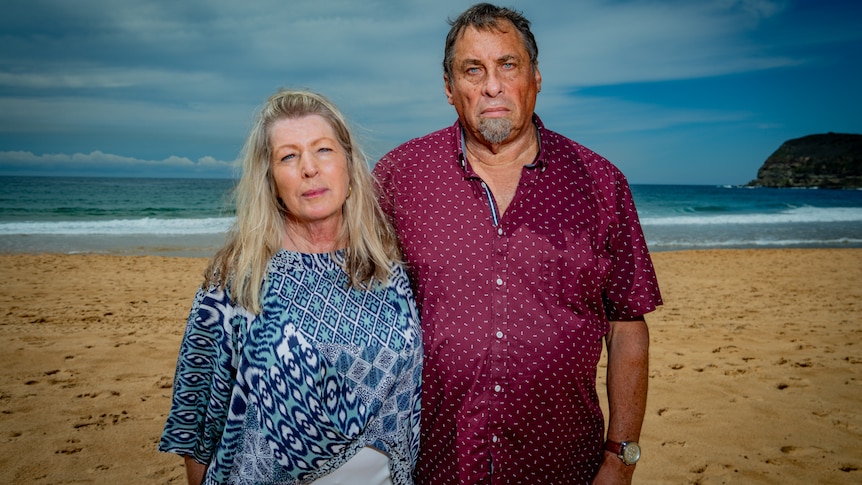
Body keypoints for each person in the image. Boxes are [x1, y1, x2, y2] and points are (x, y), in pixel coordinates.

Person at [373, 4, 661, 484]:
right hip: (432, 464)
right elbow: (356, 304)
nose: (492, 85)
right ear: (449, 88)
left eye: (508, 65)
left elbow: (627, 323)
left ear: (536, 77)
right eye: (473, 69)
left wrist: (621, 454)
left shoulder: (600, 182)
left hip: (564, 463)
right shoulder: (400, 177)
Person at [160, 89, 422, 485]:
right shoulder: (236, 283)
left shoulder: (388, 268)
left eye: (323, 150)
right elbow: (197, 426)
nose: (309, 168)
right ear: (271, 179)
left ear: (349, 165)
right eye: (288, 156)